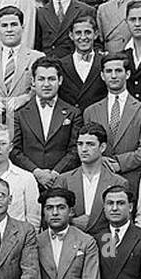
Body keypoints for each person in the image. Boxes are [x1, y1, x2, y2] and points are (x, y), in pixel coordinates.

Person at [81, 53, 141, 191]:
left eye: (118, 71)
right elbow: (87, 145)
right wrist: (100, 160)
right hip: (97, 178)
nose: (113, 76)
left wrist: (119, 163)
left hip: (131, 178)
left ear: (127, 74)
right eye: (109, 71)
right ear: (102, 76)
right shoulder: (90, 111)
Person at [32, 187, 100, 279]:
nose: (55, 213)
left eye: (61, 207)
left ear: (71, 212)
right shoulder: (34, 242)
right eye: (49, 208)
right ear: (43, 212)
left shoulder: (86, 242)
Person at [9, 58, 82, 192]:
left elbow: (75, 150)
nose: (46, 84)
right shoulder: (19, 114)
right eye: (41, 79)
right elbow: (14, 150)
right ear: (33, 81)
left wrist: (55, 173)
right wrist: (36, 172)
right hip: (28, 183)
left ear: (60, 81)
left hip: (62, 182)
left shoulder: (73, 113)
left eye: (51, 79)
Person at [60, 123, 125, 237]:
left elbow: (124, 221)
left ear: (102, 147)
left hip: (107, 241)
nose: (84, 149)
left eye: (90, 144)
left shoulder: (118, 182)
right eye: (80, 144)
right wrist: (72, 221)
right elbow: (50, 216)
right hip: (72, 241)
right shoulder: (64, 180)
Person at [0, 6, 38, 117]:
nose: (9, 30)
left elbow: (43, 89)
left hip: (26, 120)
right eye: (4, 26)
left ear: (22, 27)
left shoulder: (36, 58)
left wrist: (25, 98)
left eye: (14, 25)